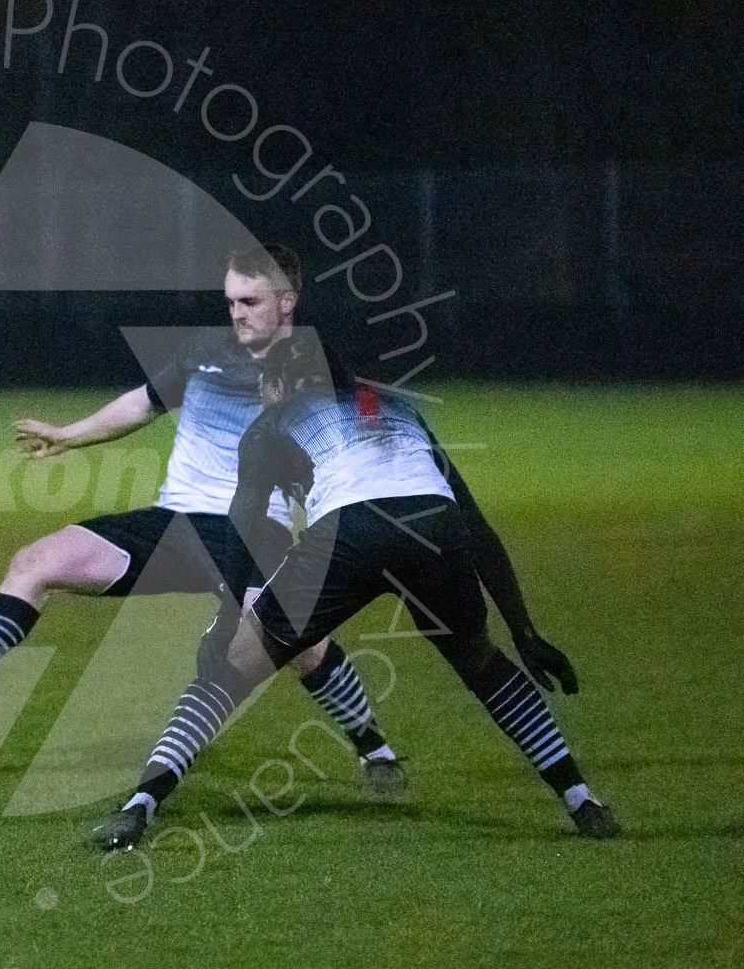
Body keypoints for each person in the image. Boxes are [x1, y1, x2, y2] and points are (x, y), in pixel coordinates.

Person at [0, 245, 405, 791]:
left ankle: (375, 748)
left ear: (287, 302)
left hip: (252, 532)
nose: (236, 313)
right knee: (36, 562)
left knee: (300, 644)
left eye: (249, 301)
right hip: (172, 524)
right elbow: (143, 403)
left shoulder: (316, 365)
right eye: (230, 301)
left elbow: (360, 433)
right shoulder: (206, 351)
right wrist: (68, 436)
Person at [92, 332, 618, 849]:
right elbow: (476, 526)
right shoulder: (398, 409)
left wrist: (228, 627)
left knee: (227, 674)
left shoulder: (269, 425)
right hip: (436, 528)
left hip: (350, 533)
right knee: (483, 664)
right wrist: (524, 631)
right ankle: (581, 799)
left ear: (277, 384)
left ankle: (140, 807)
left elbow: (242, 533)